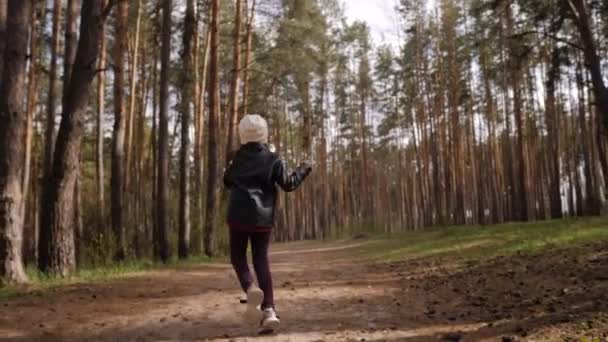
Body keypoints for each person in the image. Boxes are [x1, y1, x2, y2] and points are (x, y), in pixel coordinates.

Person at [223, 114, 312, 332]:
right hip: (262, 218)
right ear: (264, 133)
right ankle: (269, 310)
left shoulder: (235, 158)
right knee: (260, 258)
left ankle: (250, 288)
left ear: (242, 134)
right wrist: (304, 168)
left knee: (237, 257)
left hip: (238, 215)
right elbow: (289, 184)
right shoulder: (274, 158)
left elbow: (227, 182)